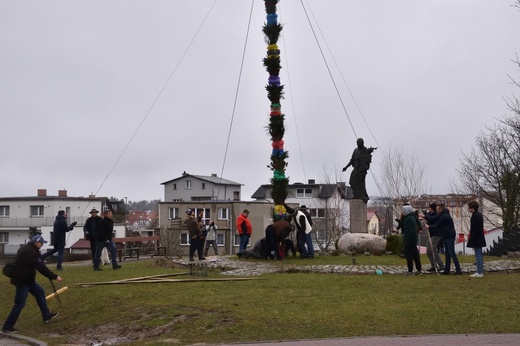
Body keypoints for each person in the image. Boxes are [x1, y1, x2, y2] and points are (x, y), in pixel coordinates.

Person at [2, 235, 61, 333]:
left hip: (27, 280)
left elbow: (37, 263)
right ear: (36, 243)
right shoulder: (31, 253)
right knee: (19, 304)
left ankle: (46, 315)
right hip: (23, 282)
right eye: (41, 243)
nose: (42, 245)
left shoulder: (24, 248)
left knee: (40, 292)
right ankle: (7, 326)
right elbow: (40, 267)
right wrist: (54, 276)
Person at [426, 203, 461, 275]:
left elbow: (438, 225)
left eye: (438, 209)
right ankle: (446, 270)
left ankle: (458, 269)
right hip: (445, 236)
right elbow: (434, 218)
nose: (437, 210)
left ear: (441, 209)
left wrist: (429, 226)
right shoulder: (442, 215)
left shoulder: (445, 216)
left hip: (449, 236)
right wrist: (426, 216)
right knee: (447, 254)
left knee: (451, 253)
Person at [342, 138, 377, 203]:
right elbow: (352, 160)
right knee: (352, 182)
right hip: (355, 169)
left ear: (362, 143)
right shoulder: (355, 151)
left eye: (360, 143)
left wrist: (364, 170)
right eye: (358, 143)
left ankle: (362, 196)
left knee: (361, 184)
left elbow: (367, 162)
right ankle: (356, 194)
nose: (358, 145)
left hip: (361, 171)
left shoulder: (365, 150)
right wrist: (346, 167)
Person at [422, 203, 445, 272]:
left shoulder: (437, 215)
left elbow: (432, 219)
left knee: (432, 250)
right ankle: (434, 265)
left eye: (429, 208)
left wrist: (425, 216)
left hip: (436, 235)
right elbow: (427, 216)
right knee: (429, 251)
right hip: (431, 234)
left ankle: (441, 265)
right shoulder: (429, 214)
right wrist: (424, 215)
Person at [467, 200, 486, 278]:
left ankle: (479, 272)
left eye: (469, 208)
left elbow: (475, 228)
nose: (468, 209)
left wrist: (471, 237)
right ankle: (480, 271)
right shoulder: (478, 215)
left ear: (473, 208)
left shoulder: (476, 216)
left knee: (478, 255)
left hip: (477, 238)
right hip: (479, 237)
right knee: (479, 255)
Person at [402, 205, 422, 276]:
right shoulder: (412, 217)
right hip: (413, 239)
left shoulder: (408, 219)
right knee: (415, 255)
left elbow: (409, 231)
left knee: (409, 256)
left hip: (410, 240)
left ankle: (410, 270)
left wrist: (406, 240)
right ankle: (419, 269)